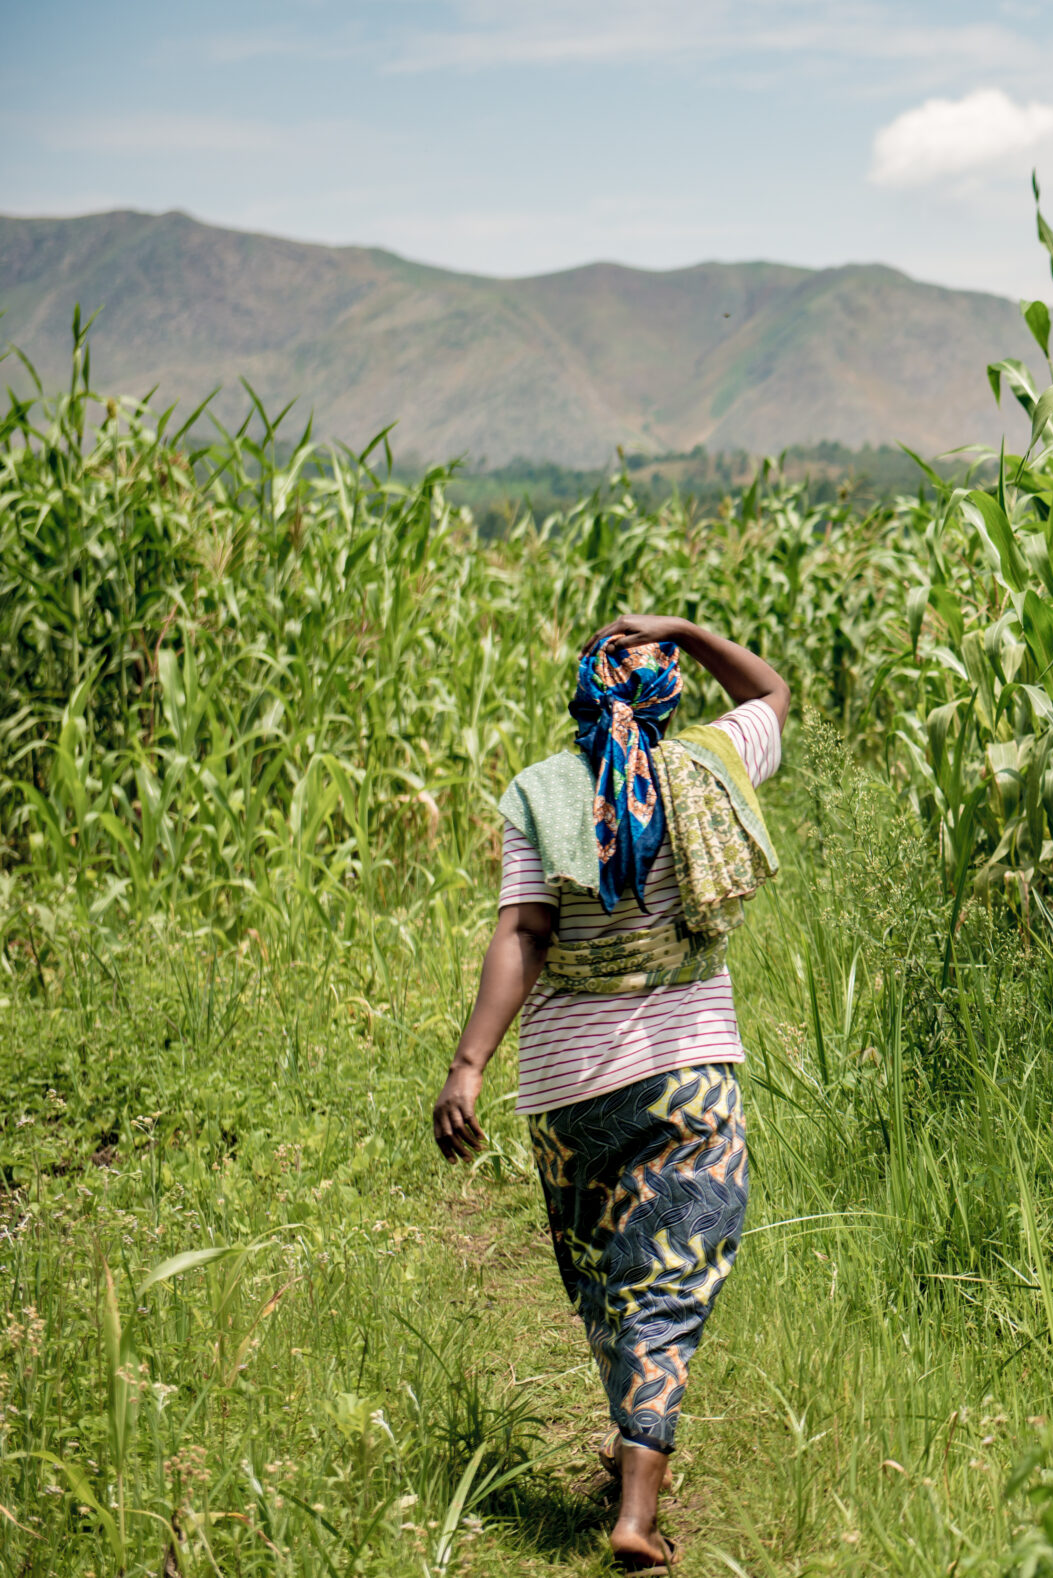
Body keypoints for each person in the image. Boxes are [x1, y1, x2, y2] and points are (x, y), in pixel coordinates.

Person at [433, 614, 788, 1574]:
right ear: (668, 699)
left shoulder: (546, 791)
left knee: (604, 1278)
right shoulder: (712, 764)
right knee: (669, 1274)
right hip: (688, 1076)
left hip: (566, 1088)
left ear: (583, 694)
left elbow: (525, 931)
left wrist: (468, 1064)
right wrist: (689, 628)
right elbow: (771, 695)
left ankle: (632, 1439)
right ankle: (636, 1511)